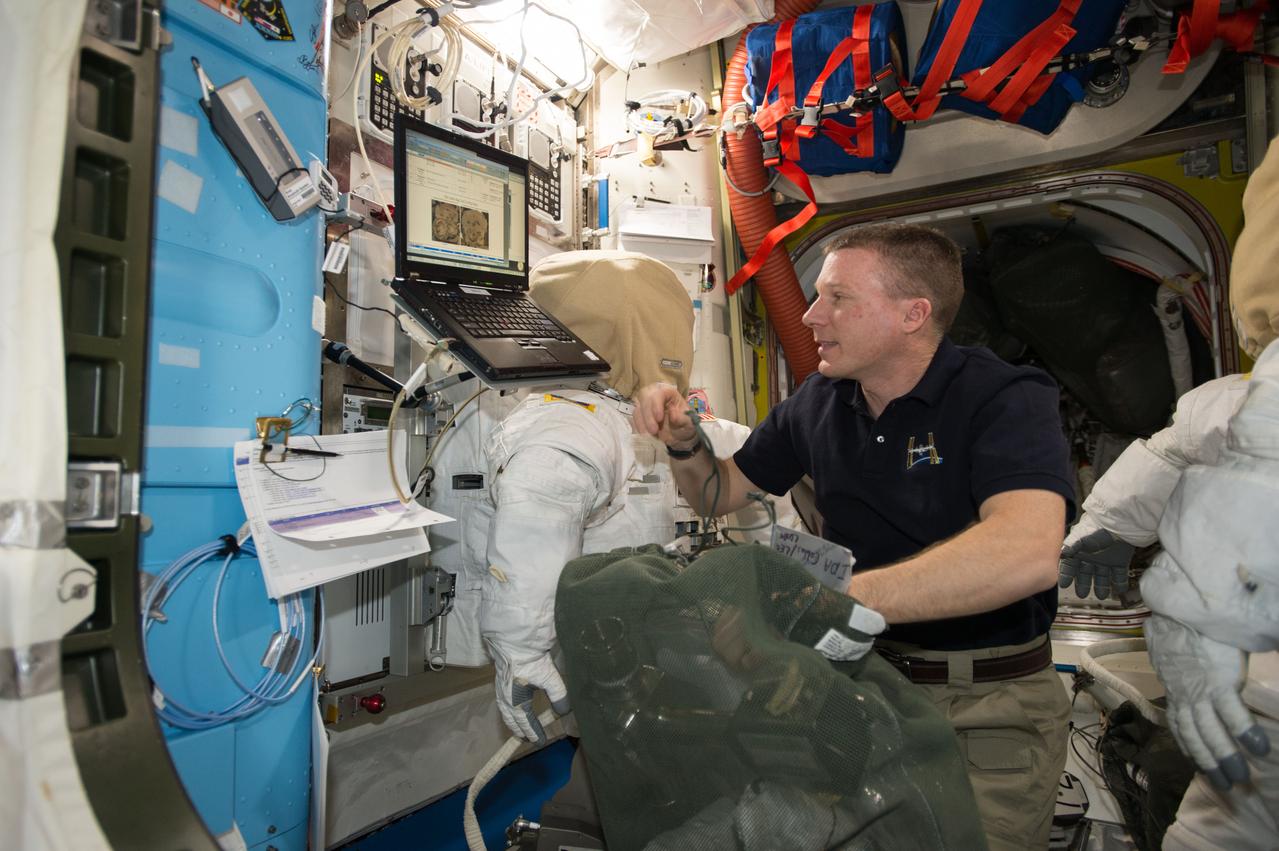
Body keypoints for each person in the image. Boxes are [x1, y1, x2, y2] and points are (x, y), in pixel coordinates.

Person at [634, 222, 1077, 851]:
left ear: (912, 314)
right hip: (862, 689)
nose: (812, 315)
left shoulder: (1004, 397)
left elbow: (1025, 555)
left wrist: (827, 600)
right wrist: (683, 438)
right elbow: (716, 493)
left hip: (987, 704)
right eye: (816, 295)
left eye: (837, 297)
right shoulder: (818, 401)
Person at [473, 249, 791, 744]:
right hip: (637, 660)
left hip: (648, 659)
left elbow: (536, 512)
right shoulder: (679, 429)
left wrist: (520, 647)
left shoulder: (569, 423)